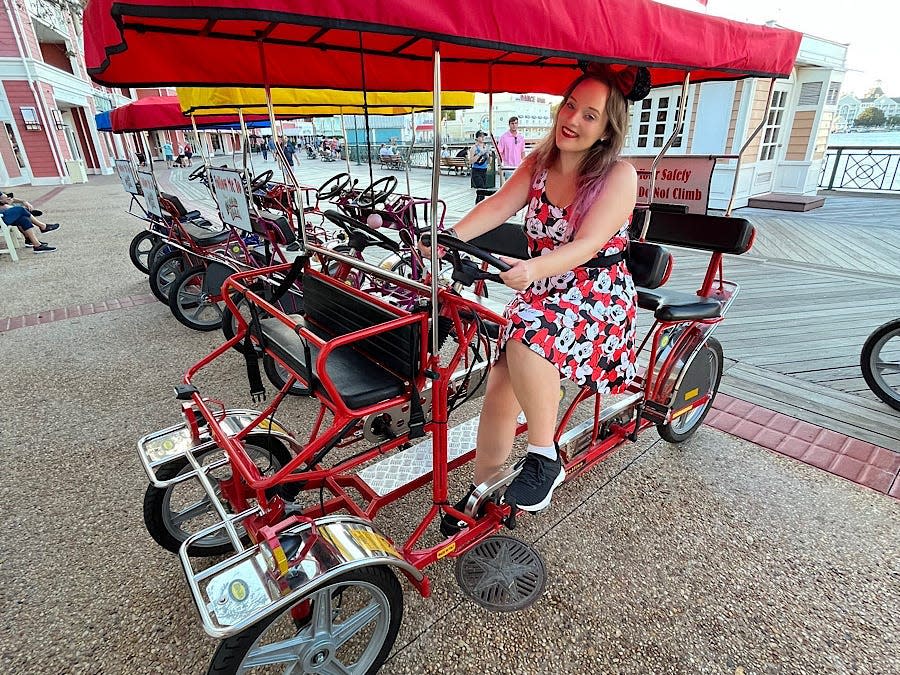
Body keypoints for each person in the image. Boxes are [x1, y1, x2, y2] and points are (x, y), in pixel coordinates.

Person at [423, 64, 648, 535]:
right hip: (546, 292)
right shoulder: (539, 163)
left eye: (591, 115)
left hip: (598, 294)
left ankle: (545, 457)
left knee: (527, 334)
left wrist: (533, 269)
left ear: (608, 129)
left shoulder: (619, 175)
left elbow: (587, 245)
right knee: (499, 385)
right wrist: (443, 238)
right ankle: (487, 487)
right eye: (571, 105)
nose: (574, 119)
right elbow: (496, 206)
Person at [497, 116, 526, 180]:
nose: (514, 125)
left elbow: (522, 152)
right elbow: (499, 153)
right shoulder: (504, 137)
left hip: (518, 167)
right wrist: (500, 166)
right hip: (508, 167)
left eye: (516, 123)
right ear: (509, 124)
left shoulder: (521, 137)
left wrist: (524, 165)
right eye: (512, 123)